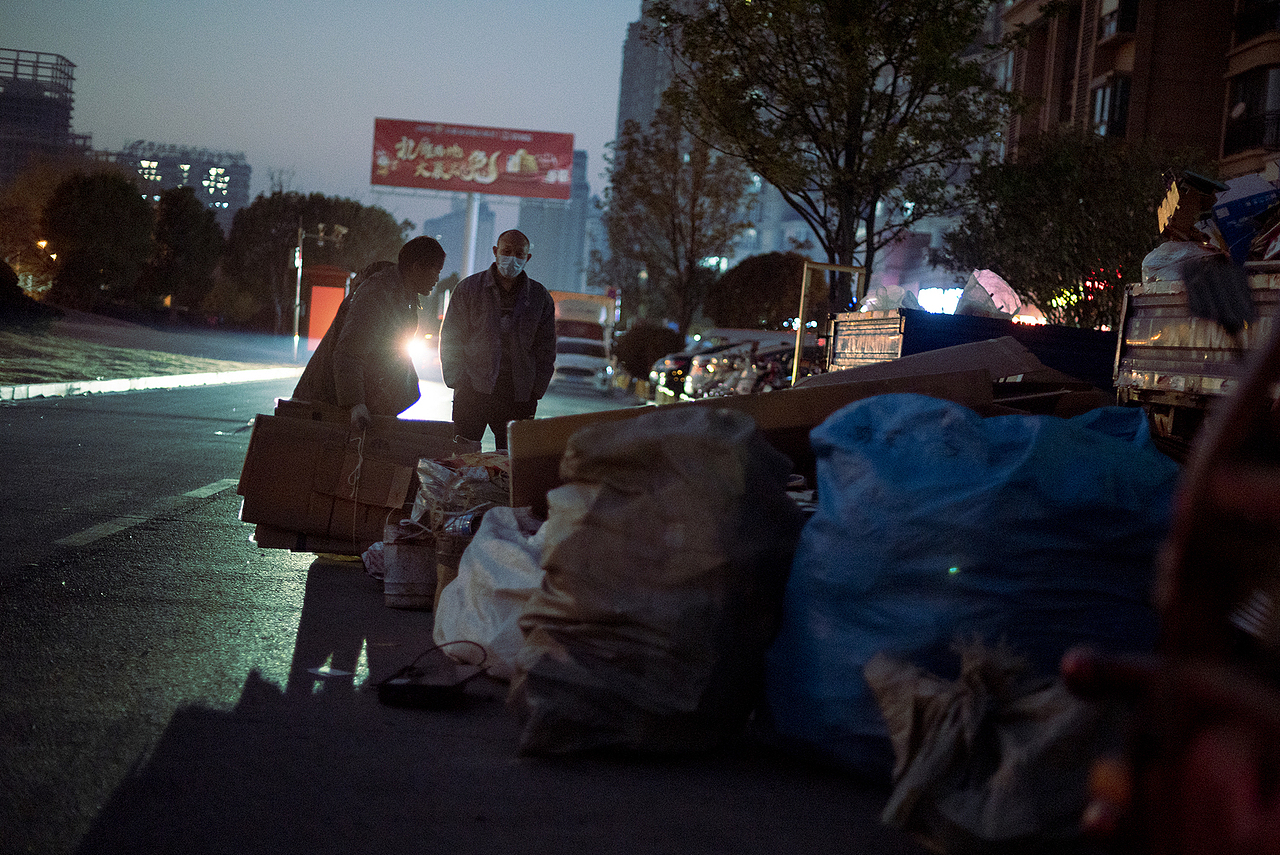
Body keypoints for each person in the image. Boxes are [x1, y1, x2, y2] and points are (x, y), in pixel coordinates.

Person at [292, 236, 445, 432]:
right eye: (436, 271)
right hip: (326, 402)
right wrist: (356, 405)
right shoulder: (377, 293)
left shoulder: (404, 296)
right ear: (417, 268)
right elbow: (348, 353)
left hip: (345, 400)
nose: (437, 279)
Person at [439, 229, 556, 451]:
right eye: (507, 251)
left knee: (512, 460)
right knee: (463, 456)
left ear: (528, 257)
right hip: (472, 390)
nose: (512, 258)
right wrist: (458, 381)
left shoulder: (539, 297)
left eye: (519, 254)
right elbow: (451, 337)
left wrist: (535, 391)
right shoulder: (469, 289)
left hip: (518, 396)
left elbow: (546, 348)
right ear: (495, 251)